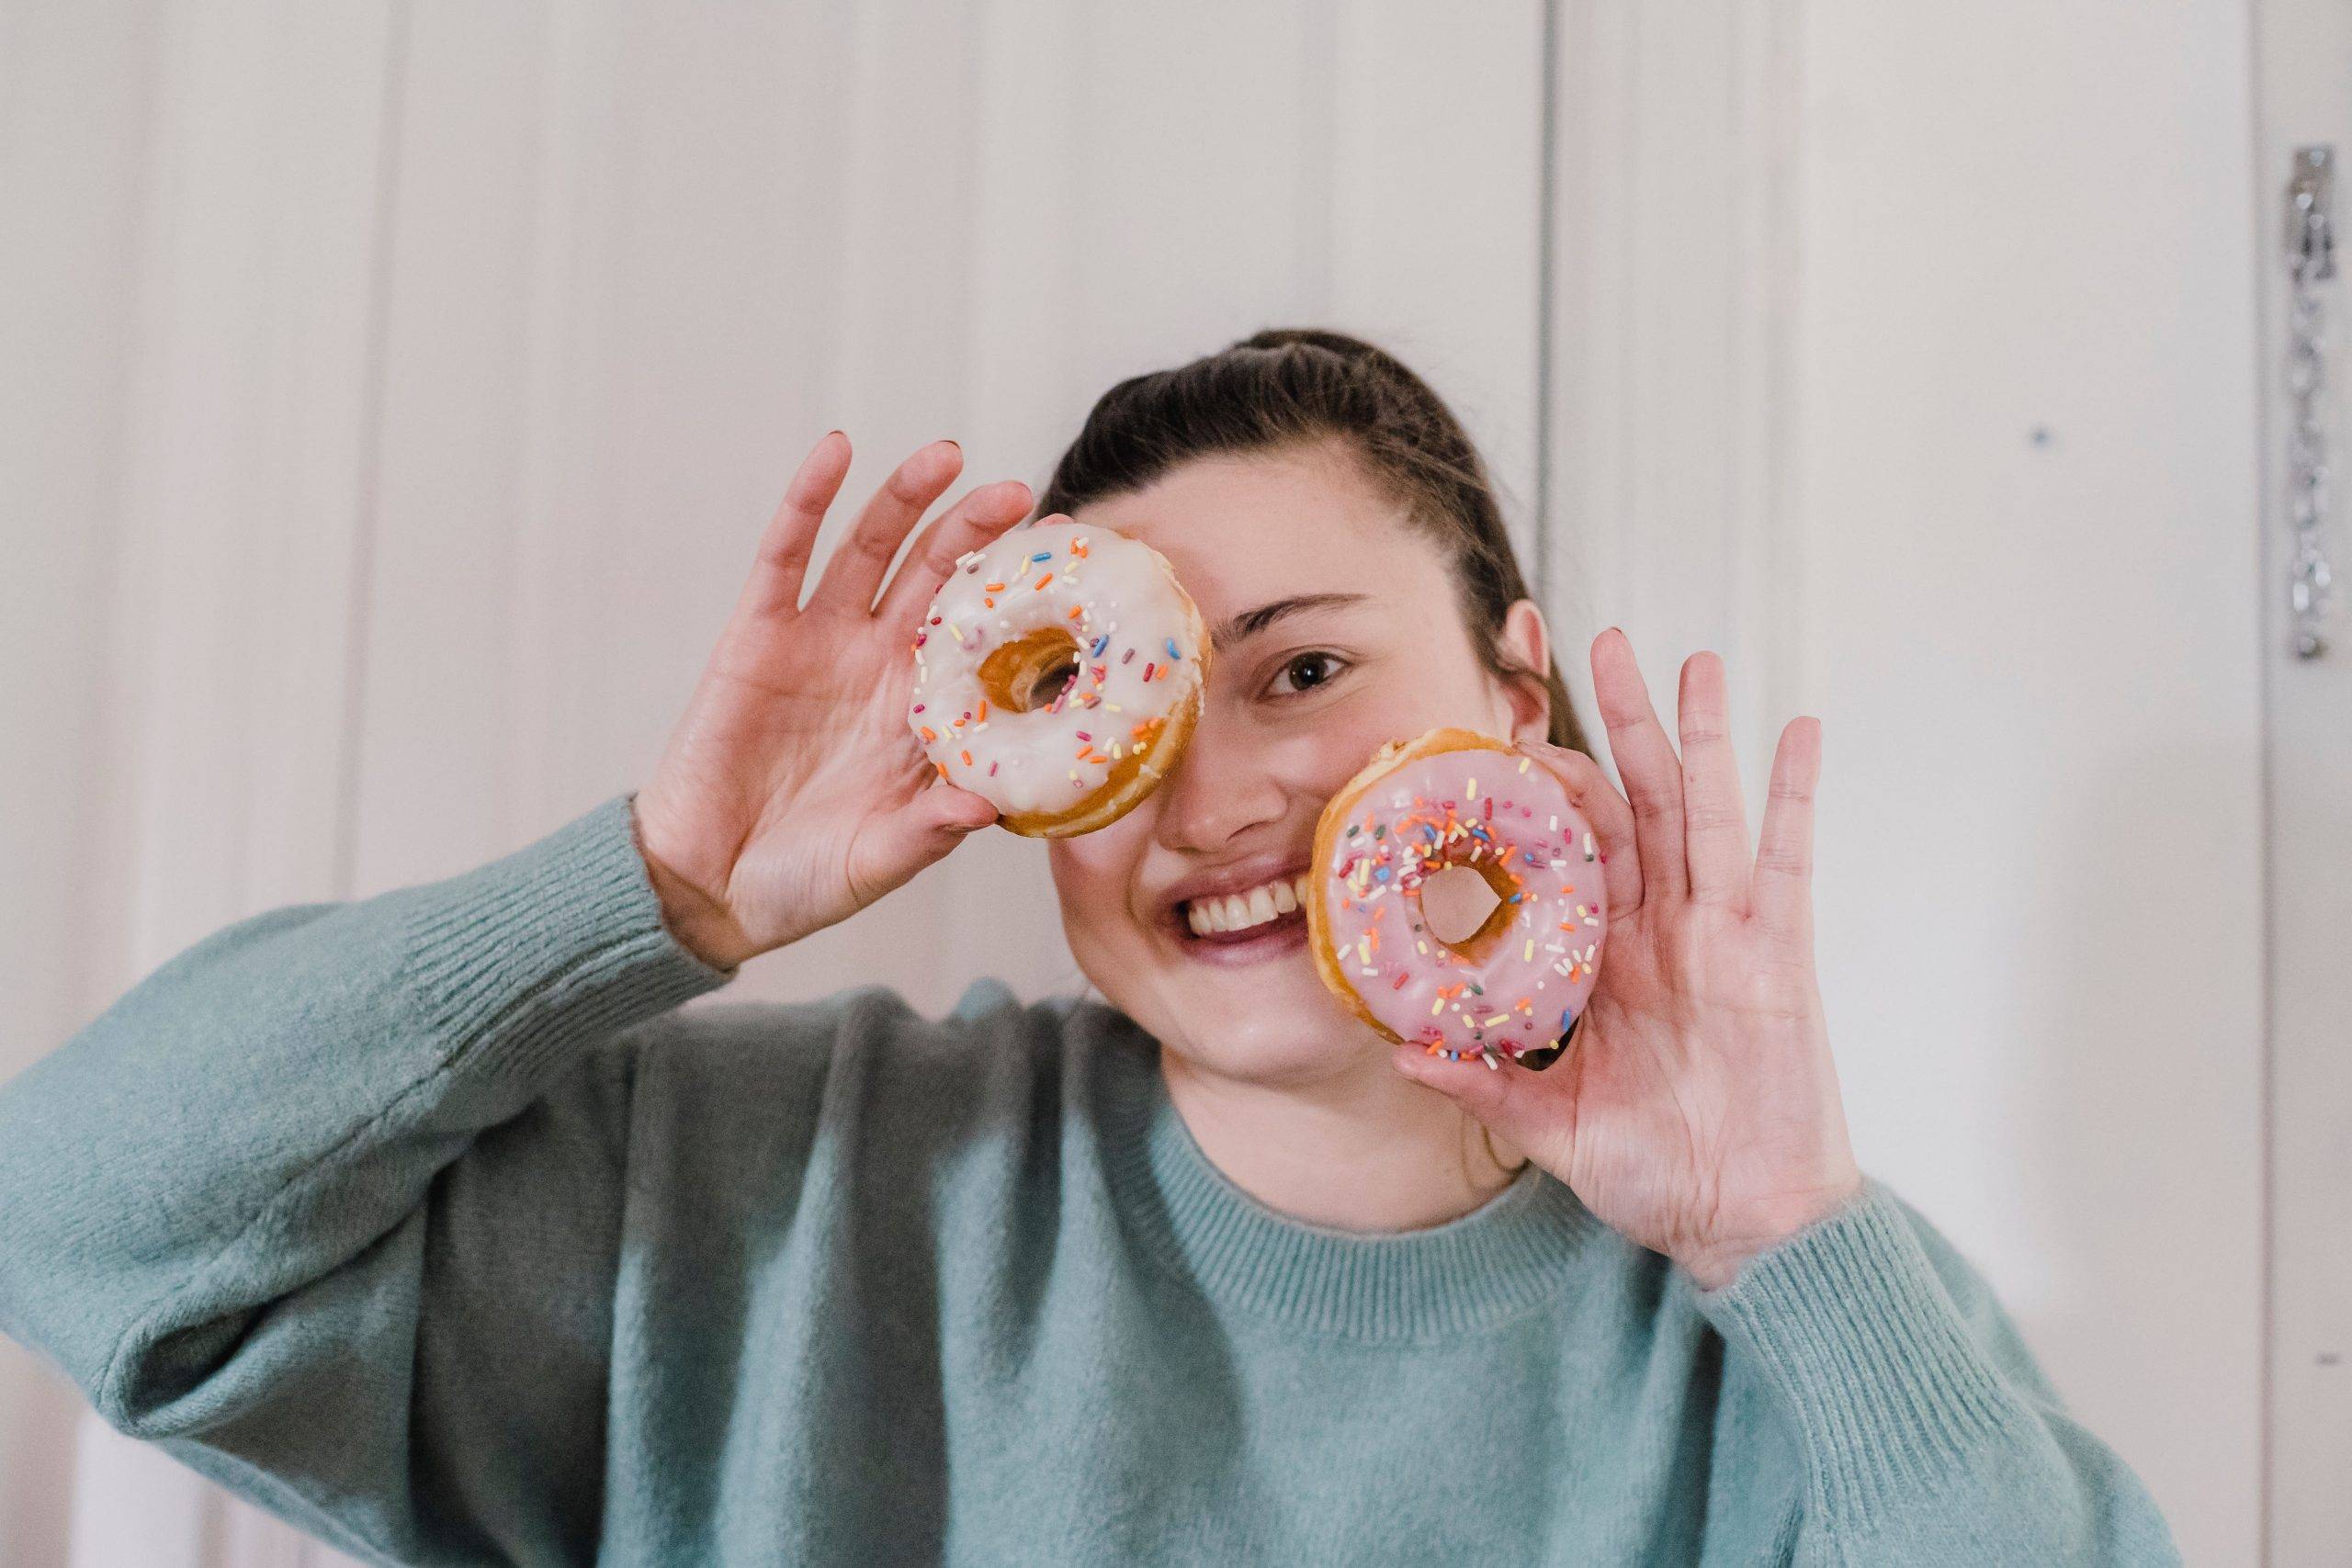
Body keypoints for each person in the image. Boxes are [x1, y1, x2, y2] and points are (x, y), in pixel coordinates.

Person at [0, 331, 2179, 1564]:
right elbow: (79, 1211)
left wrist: (1785, 1226)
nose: (1211, 796)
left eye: (1304, 668)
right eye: (1118, 713)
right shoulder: (783, 1190)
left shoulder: (1779, 1325)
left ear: (1511, 692)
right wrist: (647, 891)